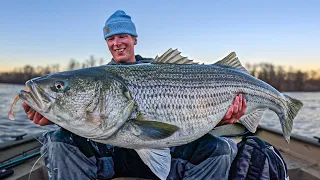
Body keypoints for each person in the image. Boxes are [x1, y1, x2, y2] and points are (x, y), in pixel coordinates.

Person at [22, 10, 247, 180]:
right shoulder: (99, 77)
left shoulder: (162, 70)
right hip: (112, 157)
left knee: (221, 148)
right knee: (56, 141)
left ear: (134, 39)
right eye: (110, 39)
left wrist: (221, 119)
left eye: (122, 36)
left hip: (167, 150)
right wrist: (55, 116)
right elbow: (85, 118)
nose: (116, 43)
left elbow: (194, 118)